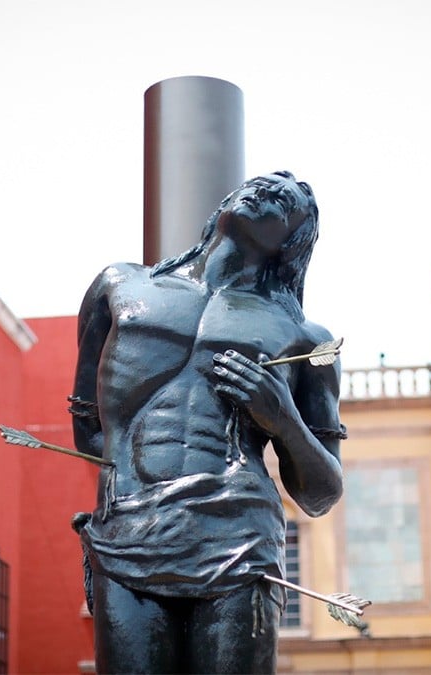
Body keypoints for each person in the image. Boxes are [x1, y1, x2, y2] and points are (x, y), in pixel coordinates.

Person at [70, 171, 345, 673]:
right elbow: (87, 424)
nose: (263, 193)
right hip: (129, 531)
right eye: (259, 185)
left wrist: (283, 420)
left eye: (283, 201)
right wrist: (130, 485)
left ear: (292, 240)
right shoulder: (120, 285)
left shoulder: (306, 338)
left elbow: (321, 493)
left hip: (238, 541)